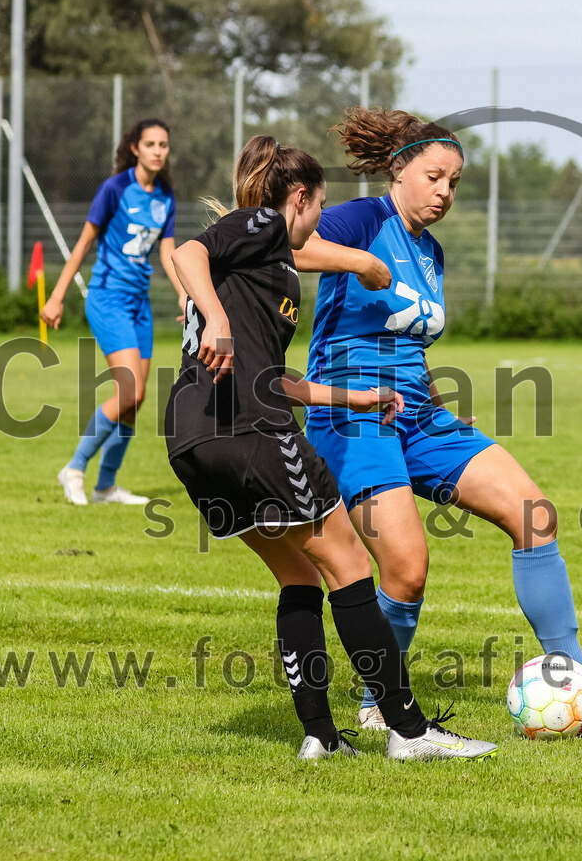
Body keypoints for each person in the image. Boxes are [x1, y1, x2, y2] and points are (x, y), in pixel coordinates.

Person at [298, 108, 582, 731]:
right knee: (407, 571)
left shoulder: (431, 251)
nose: (445, 192)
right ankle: (378, 705)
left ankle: (572, 671)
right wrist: (357, 263)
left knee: (533, 513)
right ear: (399, 168)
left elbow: (410, 345)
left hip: (417, 416)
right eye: (435, 176)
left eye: (454, 182)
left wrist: (434, 402)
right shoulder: (361, 219)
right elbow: (291, 246)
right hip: (352, 418)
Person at [164, 135, 497, 762]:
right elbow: (186, 252)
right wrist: (215, 318)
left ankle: (320, 735)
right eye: (319, 206)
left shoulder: (268, 270)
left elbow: (273, 377)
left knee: (297, 574)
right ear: (300, 199)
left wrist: (355, 400)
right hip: (249, 432)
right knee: (351, 565)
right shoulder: (264, 228)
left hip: (192, 438)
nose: (321, 220)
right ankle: (409, 730)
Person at [42, 118, 186, 506]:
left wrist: (184, 295)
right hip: (107, 298)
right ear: (135, 148)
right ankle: (74, 467)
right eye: (150, 144)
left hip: (138, 305)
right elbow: (84, 244)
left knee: (135, 401)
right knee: (131, 390)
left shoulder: (166, 196)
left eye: (163, 145)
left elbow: (168, 252)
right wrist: (56, 296)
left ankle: (106, 487)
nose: (158, 150)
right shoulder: (114, 189)